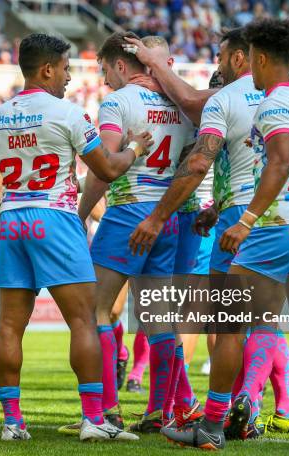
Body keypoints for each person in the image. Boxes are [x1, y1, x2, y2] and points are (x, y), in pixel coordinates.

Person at [160, 18, 289, 452]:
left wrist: (247, 218)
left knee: (228, 325)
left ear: (262, 59)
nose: (249, 65)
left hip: (273, 228)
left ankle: (211, 427)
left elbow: (280, 161)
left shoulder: (272, 104)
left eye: (251, 58)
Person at [0, 33, 151, 442]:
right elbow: (109, 170)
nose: (68, 78)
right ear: (46, 69)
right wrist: (134, 149)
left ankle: (12, 422)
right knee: (84, 319)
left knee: (9, 326)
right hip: (55, 219)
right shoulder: (69, 114)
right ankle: (94, 419)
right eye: (64, 68)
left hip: (13, 222)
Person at [126, 29, 289, 438]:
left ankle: (212, 416)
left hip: (241, 215)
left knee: (223, 322)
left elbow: (198, 153)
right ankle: (261, 406)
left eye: (221, 56)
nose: (217, 64)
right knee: (267, 319)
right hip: (287, 213)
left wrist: (157, 217)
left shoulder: (225, 97)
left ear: (244, 58)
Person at [75, 32, 196, 434]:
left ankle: (106, 410)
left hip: (128, 212)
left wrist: (79, 212)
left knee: (95, 309)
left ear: (122, 65)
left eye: (106, 69)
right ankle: (160, 411)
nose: (106, 78)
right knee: (159, 317)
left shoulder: (118, 101)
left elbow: (105, 165)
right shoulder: (180, 107)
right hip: (167, 214)